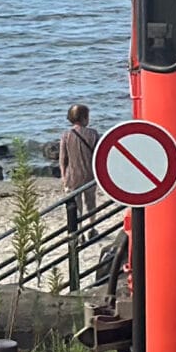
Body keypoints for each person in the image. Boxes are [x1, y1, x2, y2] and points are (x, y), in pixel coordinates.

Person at [59, 103, 100, 275]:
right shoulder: (93, 134)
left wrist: (63, 176)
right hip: (90, 173)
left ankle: (79, 231)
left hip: (72, 175)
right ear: (84, 117)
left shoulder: (66, 135)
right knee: (91, 203)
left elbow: (63, 159)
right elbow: (99, 153)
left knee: (76, 206)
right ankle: (91, 228)